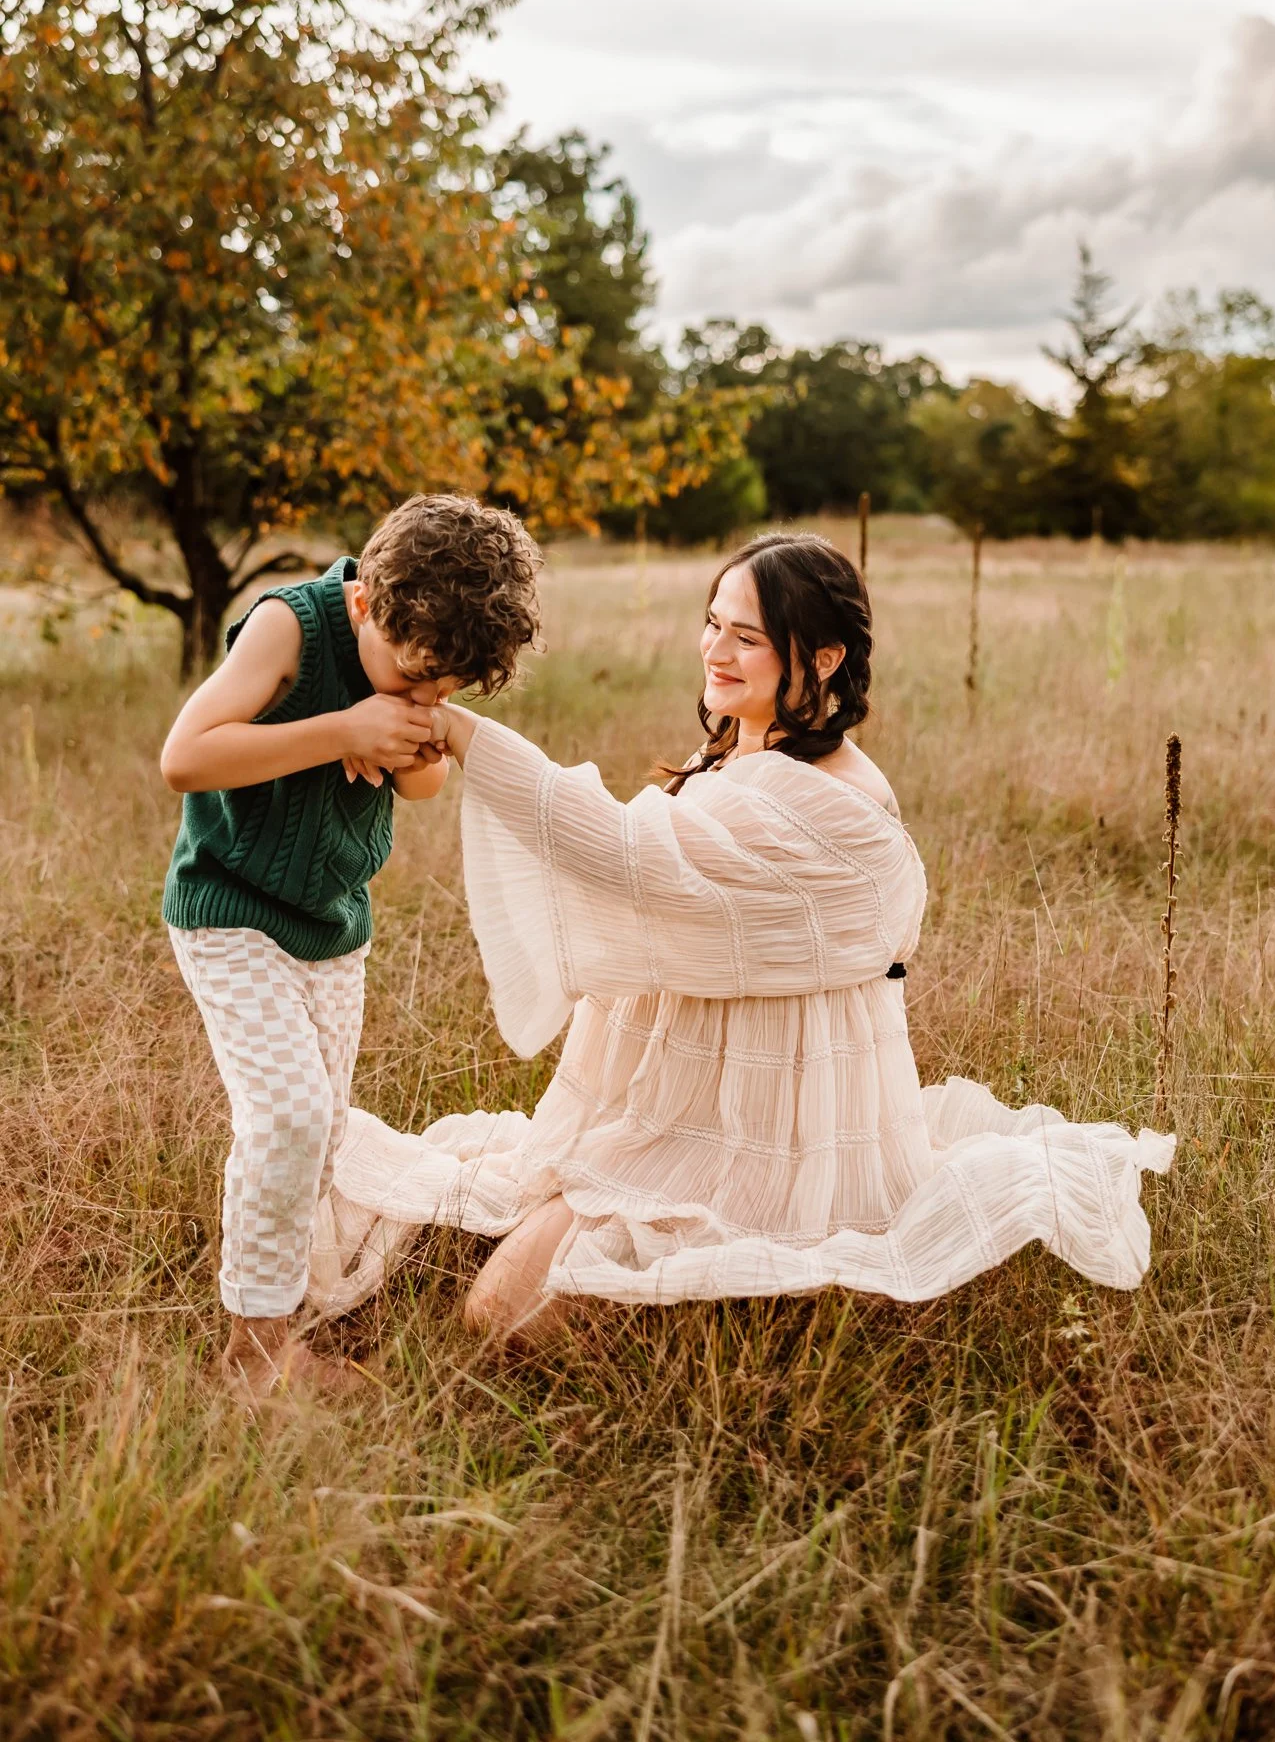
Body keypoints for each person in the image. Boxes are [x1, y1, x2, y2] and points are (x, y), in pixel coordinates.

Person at [307, 533, 1174, 1343]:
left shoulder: (830, 802)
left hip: (763, 1130)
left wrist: (460, 731)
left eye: (747, 639)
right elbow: (659, 876)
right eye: (712, 625)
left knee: (497, 1318)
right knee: (471, 1281)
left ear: (823, 657)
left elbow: (626, 855)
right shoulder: (737, 755)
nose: (715, 653)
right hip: (672, 1103)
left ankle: (728, 1321)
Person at [159, 493, 540, 1396]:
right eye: (411, 680)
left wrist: (414, 752)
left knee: (322, 1132)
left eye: (443, 694)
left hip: (333, 927)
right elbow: (186, 755)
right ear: (366, 603)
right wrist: (341, 730)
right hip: (231, 909)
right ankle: (253, 1362)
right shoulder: (287, 629)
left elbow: (422, 792)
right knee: (287, 1115)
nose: (422, 701)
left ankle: (290, 1310)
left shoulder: (412, 671)